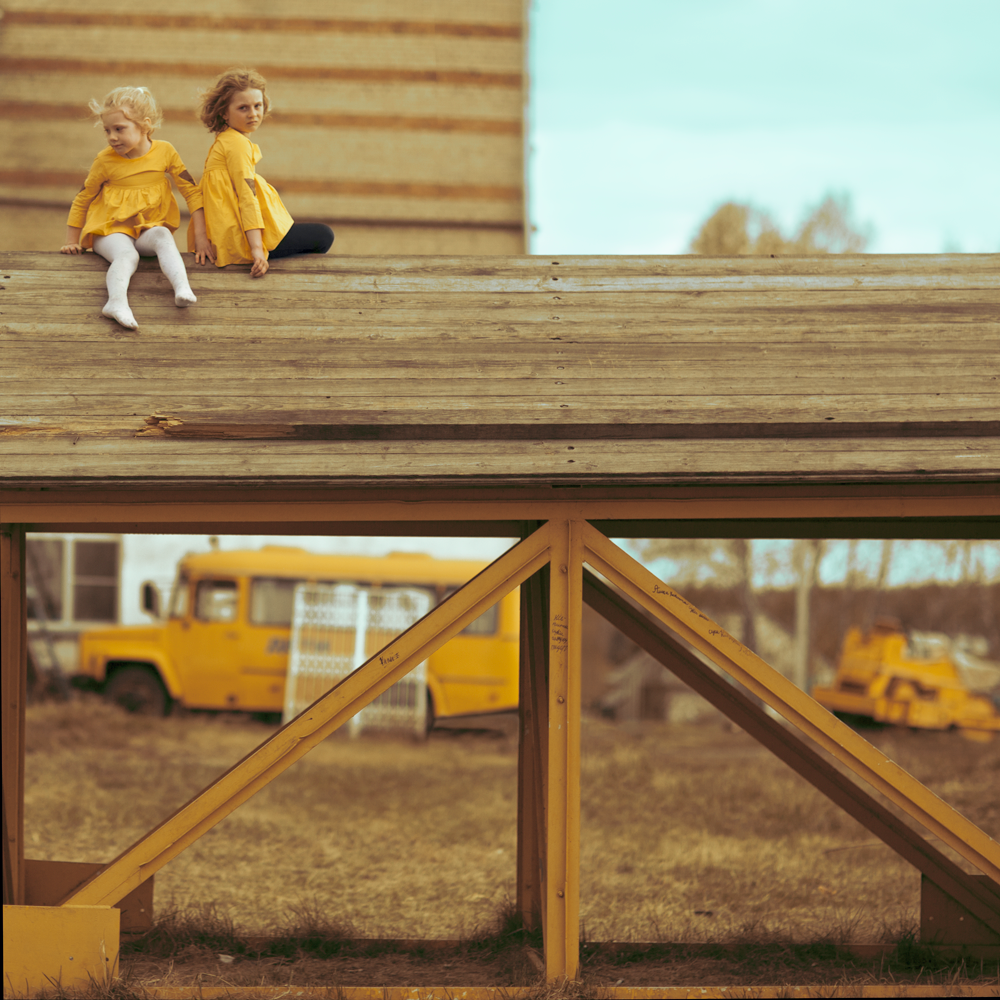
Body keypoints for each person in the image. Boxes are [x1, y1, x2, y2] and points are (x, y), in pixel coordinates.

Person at [61, 86, 207, 330]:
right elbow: (83, 198)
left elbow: (191, 190)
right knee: (128, 255)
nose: (112, 137)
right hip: (110, 232)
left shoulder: (166, 152)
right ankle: (115, 303)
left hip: (145, 230)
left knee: (162, 234)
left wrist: (201, 236)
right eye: (107, 130)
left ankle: (182, 289)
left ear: (145, 125)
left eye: (119, 129)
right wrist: (72, 239)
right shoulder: (105, 160)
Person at [191, 68, 334, 277]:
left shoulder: (223, 141)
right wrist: (257, 250)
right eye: (243, 108)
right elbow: (247, 197)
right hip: (241, 241)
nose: (253, 114)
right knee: (323, 235)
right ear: (224, 112)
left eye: (257, 106)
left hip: (228, 237)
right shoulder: (237, 145)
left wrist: (202, 236)